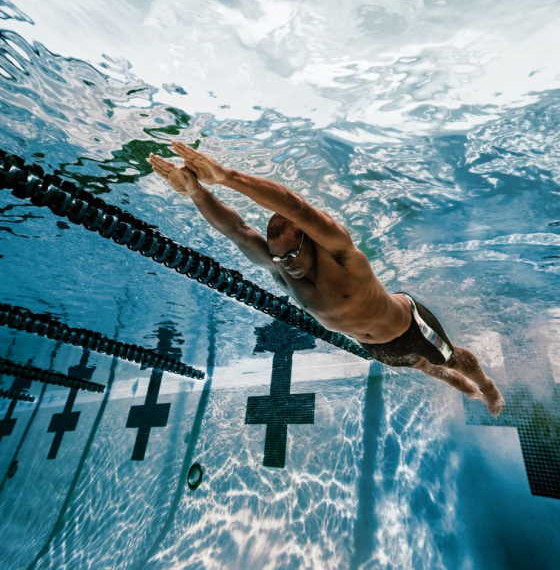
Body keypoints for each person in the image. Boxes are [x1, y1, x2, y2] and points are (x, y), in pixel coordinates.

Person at [148, 142, 505, 417]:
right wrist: (196, 191)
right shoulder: (282, 268)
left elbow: (297, 208)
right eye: (277, 257)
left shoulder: (342, 255)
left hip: (409, 326)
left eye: (290, 254)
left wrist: (226, 177)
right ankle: (454, 384)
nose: (284, 264)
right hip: (376, 345)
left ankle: (485, 386)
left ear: (310, 241)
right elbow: (238, 231)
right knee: (421, 366)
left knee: (449, 358)